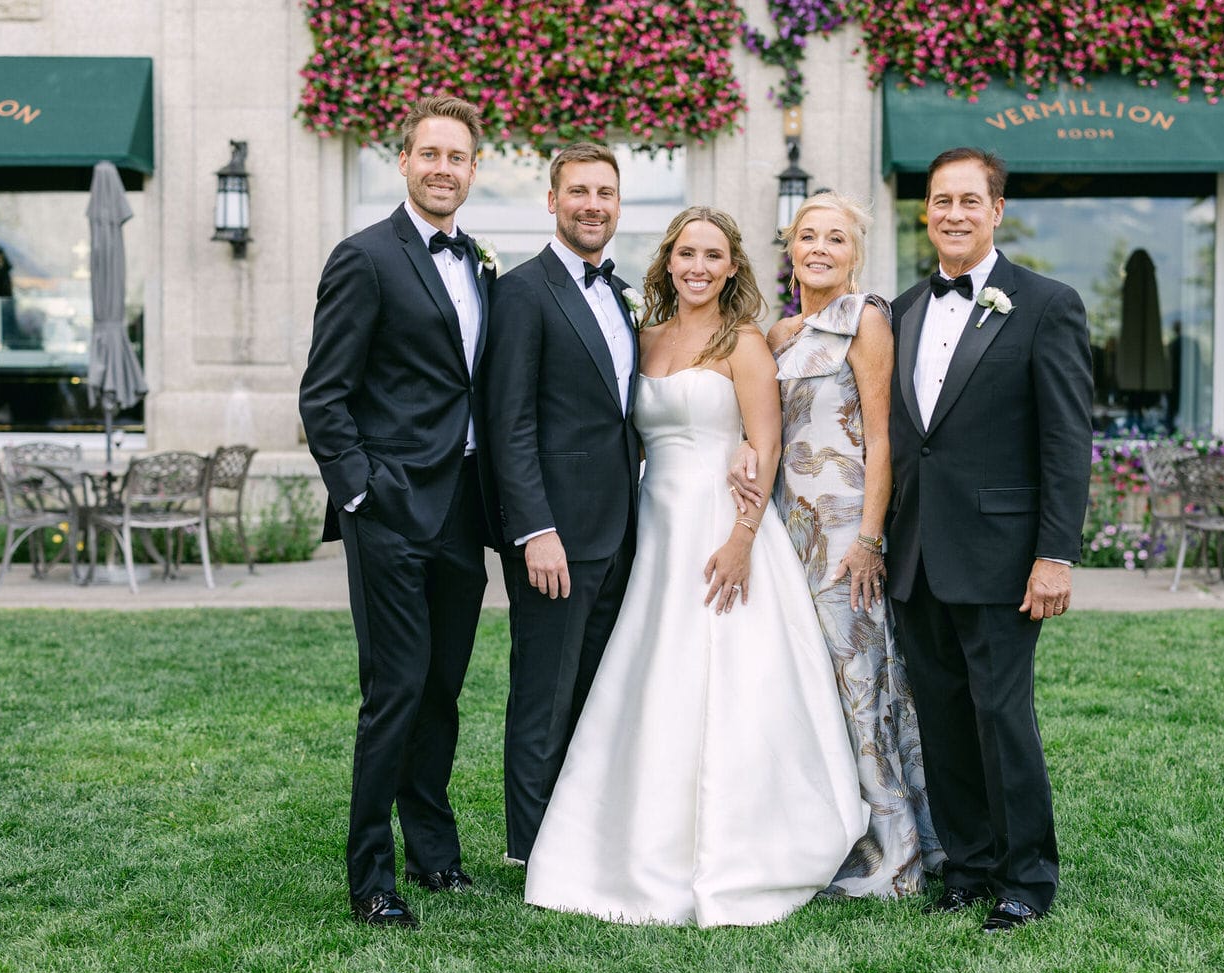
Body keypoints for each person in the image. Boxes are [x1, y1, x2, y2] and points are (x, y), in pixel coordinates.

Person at [523, 207, 866, 927]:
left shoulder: (742, 342)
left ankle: (745, 838)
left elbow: (764, 446)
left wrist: (742, 537)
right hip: (654, 526)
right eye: (687, 253)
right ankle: (627, 832)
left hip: (722, 529)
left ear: (733, 265)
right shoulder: (641, 338)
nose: (699, 266)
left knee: (731, 678)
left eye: (713, 254)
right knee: (650, 671)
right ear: (668, 262)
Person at [299, 95, 498, 928]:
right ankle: (369, 877)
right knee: (395, 690)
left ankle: (434, 855)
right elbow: (324, 394)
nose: (444, 167)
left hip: (461, 513)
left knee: (443, 691)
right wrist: (359, 493)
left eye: (458, 156)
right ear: (405, 162)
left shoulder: (482, 264)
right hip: (388, 512)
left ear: (473, 170)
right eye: (430, 154)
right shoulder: (365, 257)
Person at [886, 148, 1092, 932]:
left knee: (1002, 719)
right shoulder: (902, 308)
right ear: (927, 212)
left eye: (970, 201)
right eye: (941, 201)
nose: (955, 214)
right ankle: (967, 867)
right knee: (940, 718)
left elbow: (1067, 441)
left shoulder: (1046, 303)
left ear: (997, 210)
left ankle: (1026, 879)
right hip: (917, 556)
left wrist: (1055, 552)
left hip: (1006, 559)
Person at [729, 191, 942, 898]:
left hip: (847, 528)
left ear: (855, 253)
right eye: (807, 236)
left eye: (835, 239)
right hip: (787, 532)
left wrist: (871, 539)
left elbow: (883, 437)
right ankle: (830, 829)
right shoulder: (779, 331)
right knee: (809, 684)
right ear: (790, 247)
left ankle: (899, 849)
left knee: (863, 684)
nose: (819, 248)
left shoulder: (867, 319)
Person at [484, 142, 641, 865]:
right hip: (557, 533)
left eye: (604, 193)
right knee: (543, 690)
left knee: (593, 688)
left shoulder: (618, 293)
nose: (592, 204)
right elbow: (507, 421)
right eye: (578, 191)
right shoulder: (521, 291)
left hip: (622, 531)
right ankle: (529, 846)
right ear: (552, 201)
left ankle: (577, 828)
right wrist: (534, 528)